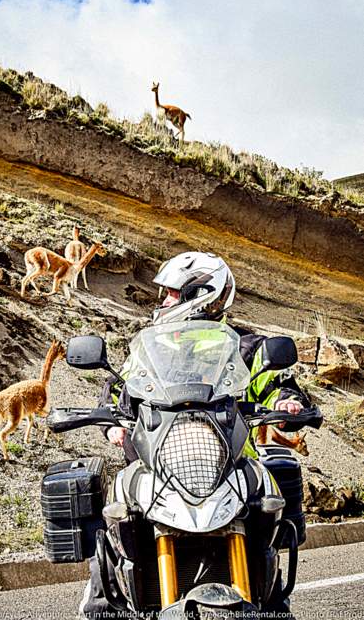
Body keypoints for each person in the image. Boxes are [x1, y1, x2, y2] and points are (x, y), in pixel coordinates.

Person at [80, 251, 310, 619]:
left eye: (170, 293)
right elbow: (116, 390)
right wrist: (112, 424)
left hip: (230, 466)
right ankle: (104, 606)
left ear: (199, 293)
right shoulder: (149, 347)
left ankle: (273, 605)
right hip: (155, 465)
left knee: (269, 501)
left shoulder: (244, 346)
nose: (163, 301)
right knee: (111, 529)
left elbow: (276, 383)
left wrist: (288, 404)